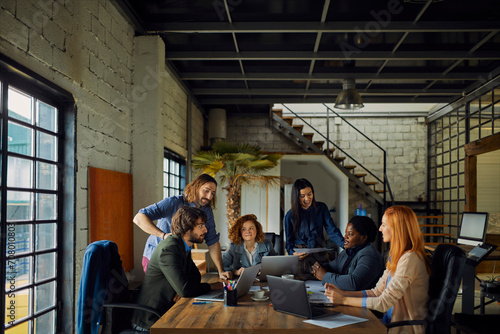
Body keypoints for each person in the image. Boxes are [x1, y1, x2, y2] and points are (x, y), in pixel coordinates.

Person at [324, 205, 430, 334]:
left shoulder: (409, 259)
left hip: (403, 329)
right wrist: (342, 293)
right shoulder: (397, 256)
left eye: (384, 225)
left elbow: (383, 303)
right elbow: (377, 292)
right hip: (388, 323)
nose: (380, 229)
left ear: (397, 229)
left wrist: (344, 300)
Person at [131, 206, 224, 331]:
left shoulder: (182, 246)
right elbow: (185, 290)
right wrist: (211, 286)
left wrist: (180, 290)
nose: (206, 230)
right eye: (201, 226)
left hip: (168, 312)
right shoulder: (170, 248)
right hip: (151, 322)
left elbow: (194, 278)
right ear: (186, 228)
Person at [134, 173, 231, 279]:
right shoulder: (173, 202)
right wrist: (164, 235)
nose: (209, 197)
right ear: (196, 187)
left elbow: (212, 241)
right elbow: (139, 217)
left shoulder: (207, 211)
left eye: (212, 193)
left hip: (180, 258)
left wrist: (221, 271)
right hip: (156, 256)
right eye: (206, 190)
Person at [310, 215, 384, 291]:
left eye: (350, 234)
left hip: (363, 301)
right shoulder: (348, 251)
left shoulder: (370, 255)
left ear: (363, 238)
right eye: (346, 233)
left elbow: (353, 283)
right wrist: (319, 268)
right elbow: (333, 267)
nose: (345, 237)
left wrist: (324, 276)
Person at [284, 178, 344, 264]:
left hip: (320, 253)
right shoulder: (289, 216)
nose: (307, 198)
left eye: (309, 194)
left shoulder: (322, 208)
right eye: (302, 196)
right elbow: (289, 243)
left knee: (324, 276)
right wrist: (293, 254)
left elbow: (332, 230)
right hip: (301, 255)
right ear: (296, 197)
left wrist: (344, 245)